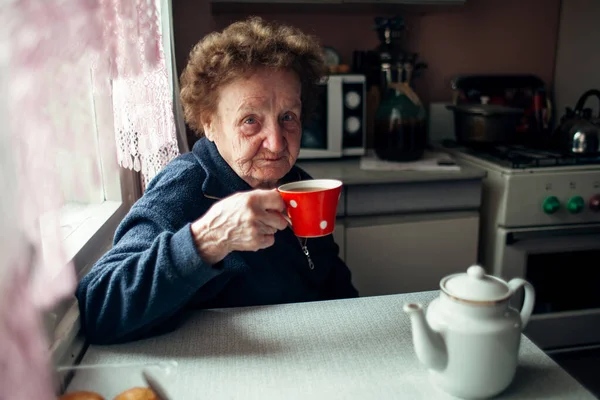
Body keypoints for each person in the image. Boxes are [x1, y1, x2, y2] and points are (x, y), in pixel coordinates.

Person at [76, 17, 358, 345]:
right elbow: (98, 304)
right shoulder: (185, 187)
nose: (277, 143)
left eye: (287, 118)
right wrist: (209, 238)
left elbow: (336, 288)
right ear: (209, 124)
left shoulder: (298, 184)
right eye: (250, 120)